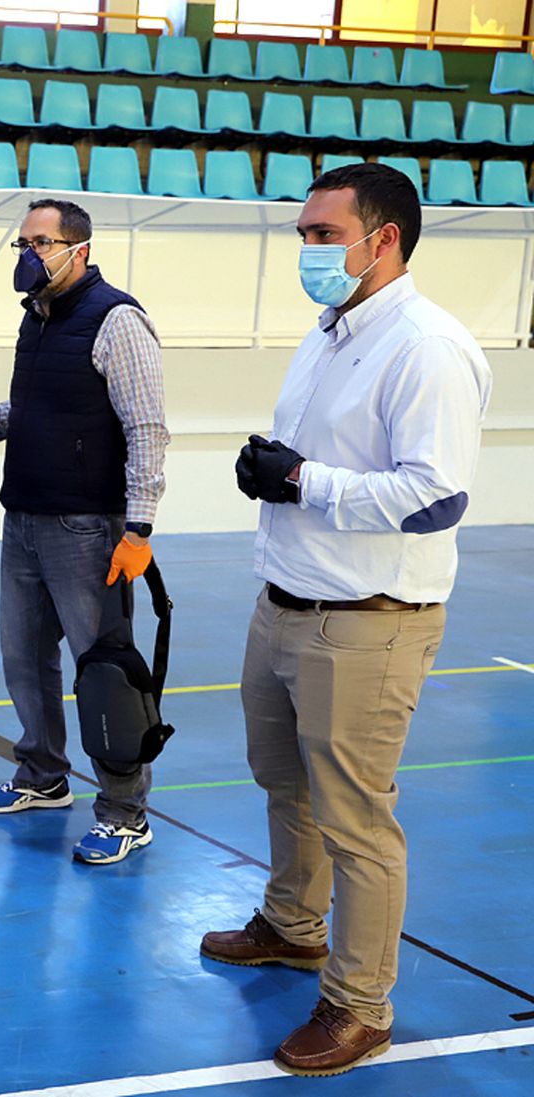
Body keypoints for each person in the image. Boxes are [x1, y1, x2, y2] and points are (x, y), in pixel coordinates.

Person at [203, 163, 491, 1077]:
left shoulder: (427, 345)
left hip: (367, 621)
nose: (308, 251)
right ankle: (293, 927)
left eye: (323, 235)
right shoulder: (330, 331)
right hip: (288, 600)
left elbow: (435, 496)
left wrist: (302, 480)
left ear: (384, 239)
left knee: (357, 821)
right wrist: (278, 471)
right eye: (304, 236)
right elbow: (326, 459)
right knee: (284, 784)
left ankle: (361, 1005)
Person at [0, 197, 170, 865]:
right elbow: (37, 414)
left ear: (77, 250)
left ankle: (125, 809)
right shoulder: (37, 318)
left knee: (103, 673)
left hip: (89, 528)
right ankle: (43, 774)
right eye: (22, 243)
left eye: (41, 242)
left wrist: (139, 526)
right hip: (24, 519)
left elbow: (147, 429)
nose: (29, 254)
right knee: (24, 660)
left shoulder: (117, 320)